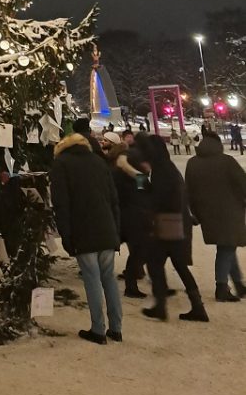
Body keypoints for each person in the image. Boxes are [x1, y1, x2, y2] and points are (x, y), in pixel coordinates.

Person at [51, 132, 123, 344]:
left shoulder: (61, 164)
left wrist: (66, 235)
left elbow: (61, 204)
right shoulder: (99, 162)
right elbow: (113, 199)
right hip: (107, 228)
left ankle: (98, 329)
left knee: (92, 278)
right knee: (108, 278)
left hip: (83, 229)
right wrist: (115, 229)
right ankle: (116, 328)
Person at [135, 133, 209, 323]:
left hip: (167, 225)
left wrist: (141, 180)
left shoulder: (162, 171)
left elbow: (153, 197)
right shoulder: (167, 168)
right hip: (177, 224)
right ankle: (196, 306)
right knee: (178, 265)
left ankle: (162, 306)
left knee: (155, 264)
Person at [184, 130, 246, 301]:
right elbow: (243, 183)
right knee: (226, 248)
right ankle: (221, 287)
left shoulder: (192, 163)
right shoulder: (227, 162)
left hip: (206, 214)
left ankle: (239, 284)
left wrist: (196, 212)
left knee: (227, 246)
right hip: (230, 212)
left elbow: (188, 191)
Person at [101, 135, 152, 298]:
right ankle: (131, 284)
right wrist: (139, 173)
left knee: (131, 246)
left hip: (122, 211)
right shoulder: (124, 169)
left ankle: (132, 277)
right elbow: (143, 186)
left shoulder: (111, 166)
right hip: (133, 212)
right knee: (140, 248)